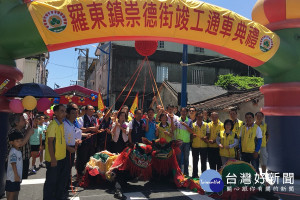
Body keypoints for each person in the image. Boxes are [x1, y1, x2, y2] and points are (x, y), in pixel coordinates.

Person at [43, 104, 75, 200]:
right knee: (51, 183)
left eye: (65, 111)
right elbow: (50, 142)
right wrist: (53, 159)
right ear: (55, 112)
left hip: (62, 158)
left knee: (61, 181)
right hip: (54, 160)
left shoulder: (60, 124)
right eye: (61, 111)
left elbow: (61, 141)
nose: (64, 113)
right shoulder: (53, 125)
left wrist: (68, 148)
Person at [7, 113, 34, 180]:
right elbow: (20, 144)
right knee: (15, 180)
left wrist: (28, 130)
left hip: (24, 159)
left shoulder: (22, 130)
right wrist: (29, 133)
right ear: (16, 122)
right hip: (17, 161)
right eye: (23, 119)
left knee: (23, 179)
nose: (25, 120)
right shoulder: (13, 131)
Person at [76, 105, 97, 178]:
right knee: (82, 159)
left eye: (93, 110)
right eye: (90, 109)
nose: (92, 111)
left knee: (90, 159)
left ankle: (89, 175)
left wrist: (97, 130)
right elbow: (80, 129)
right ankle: (80, 175)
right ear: (86, 110)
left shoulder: (95, 119)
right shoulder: (81, 119)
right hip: (84, 142)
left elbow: (96, 129)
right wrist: (90, 128)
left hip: (92, 142)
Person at [63, 107, 81, 192]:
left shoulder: (72, 124)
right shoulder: (64, 124)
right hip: (66, 148)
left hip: (72, 147)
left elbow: (73, 135)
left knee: (69, 167)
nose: (75, 115)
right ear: (68, 114)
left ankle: (67, 185)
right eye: (73, 113)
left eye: (76, 113)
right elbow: (61, 138)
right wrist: (68, 147)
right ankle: (64, 186)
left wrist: (76, 140)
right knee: (65, 168)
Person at [174, 107, 193, 176]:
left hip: (186, 142)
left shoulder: (190, 121)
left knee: (186, 158)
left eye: (185, 112)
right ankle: (179, 172)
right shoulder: (177, 120)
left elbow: (191, 131)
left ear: (187, 112)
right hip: (179, 142)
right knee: (178, 158)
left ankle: (186, 173)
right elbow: (173, 129)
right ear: (180, 112)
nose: (183, 113)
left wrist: (186, 126)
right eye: (182, 111)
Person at [5, 131, 23, 200]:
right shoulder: (13, 152)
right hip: (12, 177)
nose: (19, 142)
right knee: (12, 193)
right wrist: (16, 175)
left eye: (21, 140)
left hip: (16, 177)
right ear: (11, 142)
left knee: (15, 192)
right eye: (17, 141)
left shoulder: (17, 151)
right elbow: (13, 164)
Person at [191, 110, 209, 177]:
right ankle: (195, 174)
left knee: (203, 162)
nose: (200, 118)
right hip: (195, 146)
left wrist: (205, 137)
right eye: (198, 117)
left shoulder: (206, 125)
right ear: (196, 117)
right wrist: (192, 136)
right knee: (195, 161)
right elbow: (190, 136)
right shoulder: (193, 125)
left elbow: (208, 133)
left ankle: (204, 175)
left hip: (204, 146)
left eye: (201, 117)